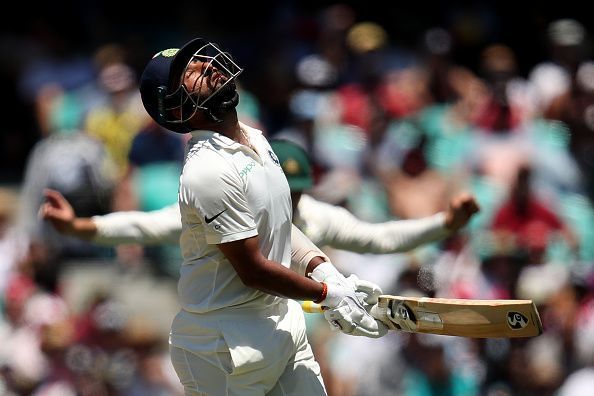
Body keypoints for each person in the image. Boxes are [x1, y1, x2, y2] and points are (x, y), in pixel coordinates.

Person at [111, 36, 388, 396]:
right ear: (175, 106)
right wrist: (326, 295)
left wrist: (325, 271)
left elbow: (278, 223)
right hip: (222, 346)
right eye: (190, 71)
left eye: (200, 59)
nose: (208, 67)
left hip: (280, 323)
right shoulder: (206, 170)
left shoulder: (256, 138)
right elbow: (252, 268)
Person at [40, 138, 479, 258]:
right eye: (289, 191)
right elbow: (144, 225)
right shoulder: (226, 211)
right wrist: (78, 226)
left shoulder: (315, 216)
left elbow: (379, 239)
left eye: (301, 190)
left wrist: (445, 224)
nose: (295, 199)